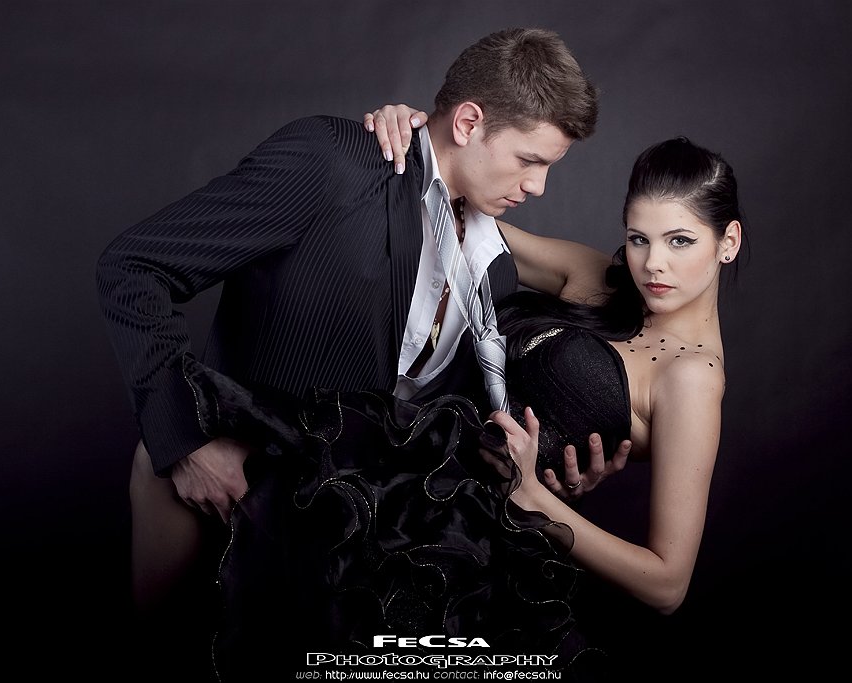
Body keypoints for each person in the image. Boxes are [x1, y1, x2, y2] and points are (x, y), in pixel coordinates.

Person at [95, 27, 627, 678]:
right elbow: (134, 268)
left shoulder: (493, 268)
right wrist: (184, 440)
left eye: (549, 167)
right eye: (528, 160)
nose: (539, 186)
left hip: (358, 547)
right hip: (241, 496)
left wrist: (538, 477)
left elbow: (430, 427)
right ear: (468, 123)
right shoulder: (333, 163)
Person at [207, 133, 745, 680]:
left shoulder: (693, 378)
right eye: (638, 239)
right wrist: (417, 135)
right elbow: (449, 213)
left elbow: (667, 585)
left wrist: (536, 497)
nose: (653, 264)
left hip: (458, 548)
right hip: (391, 464)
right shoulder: (600, 281)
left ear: (728, 242)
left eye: (680, 241)